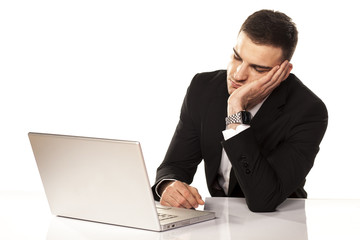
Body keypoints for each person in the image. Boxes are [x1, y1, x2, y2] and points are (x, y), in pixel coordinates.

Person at [151, 9, 328, 212]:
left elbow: (264, 200)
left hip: (281, 222)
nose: (238, 74)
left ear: (283, 73)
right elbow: (175, 165)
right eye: (236, 57)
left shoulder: (308, 111)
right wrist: (168, 186)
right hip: (222, 220)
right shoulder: (203, 88)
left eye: (258, 69)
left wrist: (236, 110)